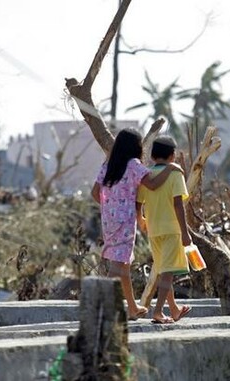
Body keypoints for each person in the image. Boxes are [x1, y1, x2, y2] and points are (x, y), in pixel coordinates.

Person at [91, 128, 182, 321]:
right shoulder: (133, 164)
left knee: (123, 264)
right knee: (118, 266)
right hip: (125, 220)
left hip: (109, 219)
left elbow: (94, 192)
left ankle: (132, 307)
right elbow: (153, 184)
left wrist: (110, 205)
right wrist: (170, 168)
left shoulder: (108, 164)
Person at [136, 136, 192, 324]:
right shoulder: (175, 174)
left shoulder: (147, 175)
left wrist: (141, 220)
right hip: (171, 229)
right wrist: (185, 232)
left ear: (152, 156)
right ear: (172, 155)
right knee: (167, 272)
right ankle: (158, 311)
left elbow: (138, 203)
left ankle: (174, 309)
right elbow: (178, 205)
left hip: (153, 230)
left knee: (163, 270)